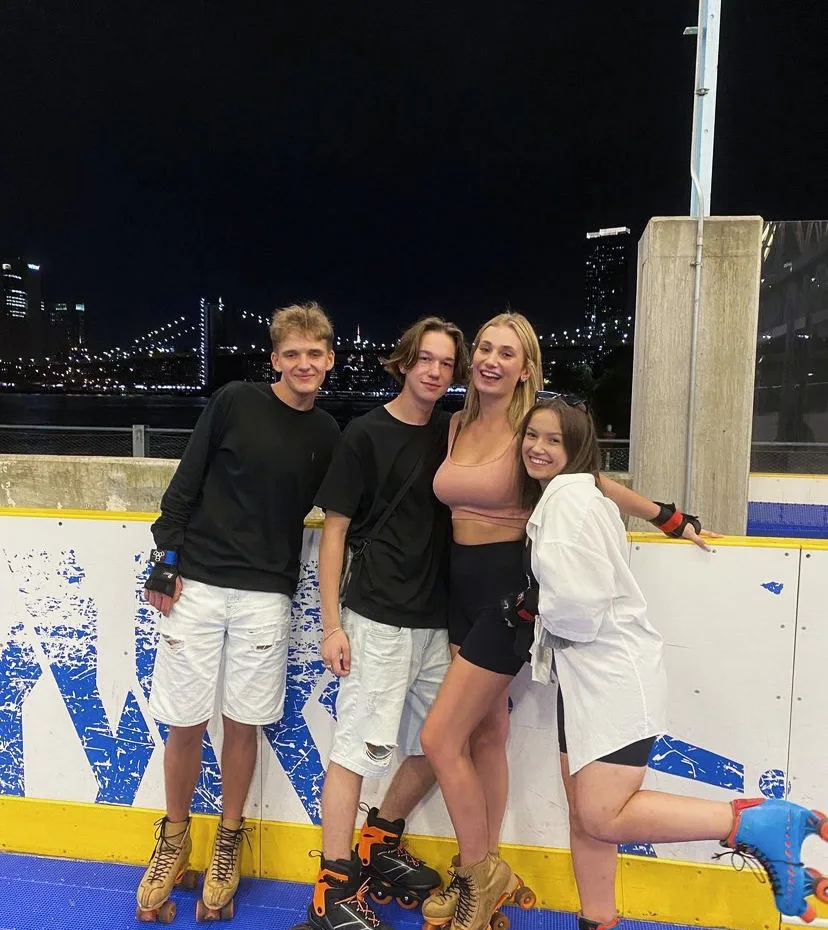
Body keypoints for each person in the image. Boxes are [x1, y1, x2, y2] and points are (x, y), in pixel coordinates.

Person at [420, 311, 713, 930]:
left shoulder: (532, 431)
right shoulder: (456, 423)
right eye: (485, 349)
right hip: (460, 592)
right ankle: (486, 868)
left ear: (526, 367)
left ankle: (480, 875)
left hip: (509, 594)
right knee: (483, 737)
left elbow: (590, 480)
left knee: (441, 739)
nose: (492, 360)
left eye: (508, 352)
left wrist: (665, 515)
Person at [515, 396, 828, 929]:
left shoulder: (567, 503)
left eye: (554, 440)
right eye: (533, 435)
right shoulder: (579, 491)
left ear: (578, 448)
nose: (538, 448)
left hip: (609, 676)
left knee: (599, 814)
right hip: (589, 678)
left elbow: (578, 609)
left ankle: (753, 822)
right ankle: (599, 919)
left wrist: (530, 607)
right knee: (584, 815)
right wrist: (669, 517)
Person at [136, 302, 340, 923]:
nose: (304, 364)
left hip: (266, 595)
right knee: (185, 720)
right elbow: (186, 481)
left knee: (243, 723)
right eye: (292, 354)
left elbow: (349, 514)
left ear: (329, 360)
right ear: (274, 359)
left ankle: (227, 843)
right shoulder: (233, 401)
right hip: (194, 583)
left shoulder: (329, 435)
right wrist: (165, 559)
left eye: (315, 354)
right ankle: (173, 841)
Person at [300, 317, 470, 930]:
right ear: (404, 362)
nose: (433, 370)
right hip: (375, 620)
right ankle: (333, 888)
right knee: (355, 753)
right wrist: (330, 626)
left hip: (435, 625)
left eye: (445, 363)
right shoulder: (365, 435)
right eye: (424, 358)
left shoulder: (453, 438)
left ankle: (381, 839)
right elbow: (335, 534)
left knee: (441, 743)